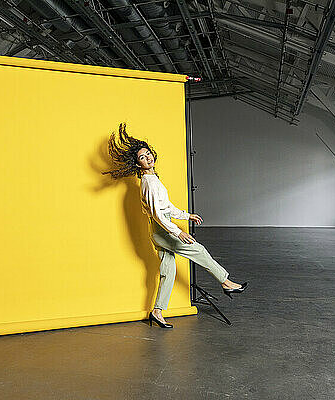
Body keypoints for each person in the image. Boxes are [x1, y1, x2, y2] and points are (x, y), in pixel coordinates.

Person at [102, 122, 247, 328]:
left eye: (148, 153)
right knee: (199, 250)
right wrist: (178, 232)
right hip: (162, 231)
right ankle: (225, 282)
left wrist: (187, 215)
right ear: (137, 164)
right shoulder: (149, 183)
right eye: (142, 157)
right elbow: (159, 215)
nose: (148, 157)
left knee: (167, 272)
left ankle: (157, 312)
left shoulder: (152, 178)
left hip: (159, 230)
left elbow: (166, 207)